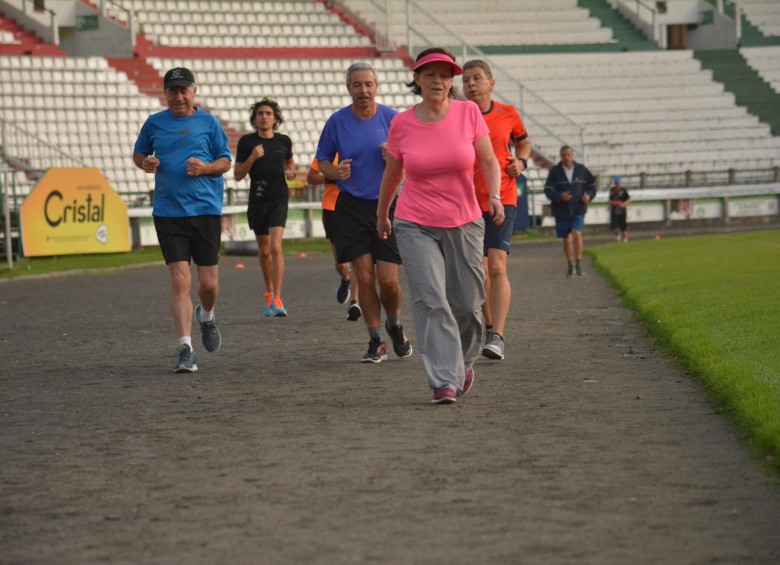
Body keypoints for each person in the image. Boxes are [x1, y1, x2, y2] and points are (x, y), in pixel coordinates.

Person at [377, 48, 503, 404]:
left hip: (464, 220)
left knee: (466, 304)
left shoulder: (468, 113)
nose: (437, 80)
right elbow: (393, 174)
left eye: (444, 75)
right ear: (417, 79)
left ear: (452, 81)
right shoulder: (402, 123)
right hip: (414, 222)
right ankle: (444, 380)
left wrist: (493, 195)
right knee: (431, 300)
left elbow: (489, 161)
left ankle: (463, 362)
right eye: (429, 74)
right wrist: (383, 213)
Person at [133, 67, 232, 373]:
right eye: (172, 91)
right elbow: (138, 155)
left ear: (194, 92)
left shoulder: (209, 122)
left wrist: (205, 168)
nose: (178, 96)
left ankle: (207, 315)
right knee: (179, 280)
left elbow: (226, 161)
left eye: (183, 90)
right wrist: (145, 162)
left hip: (204, 211)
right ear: (165, 94)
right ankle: (185, 348)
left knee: (209, 285)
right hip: (168, 212)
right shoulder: (154, 123)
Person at [316, 61, 412, 363]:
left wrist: (395, 158)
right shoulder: (337, 122)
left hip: (386, 204)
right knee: (365, 278)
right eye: (357, 85)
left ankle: (394, 324)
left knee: (389, 281)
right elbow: (321, 161)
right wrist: (336, 172)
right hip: (352, 207)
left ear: (376, 87)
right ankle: (375, 339)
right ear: (349, 89)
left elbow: (414, 160)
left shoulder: (393, 120)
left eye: (368, 84)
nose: (363, 91)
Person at [462, 59, 532, 361]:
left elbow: (524, 143)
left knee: (497, 266)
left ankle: (498, 335)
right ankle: (489, 328)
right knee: (478, 272)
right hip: (466, 202)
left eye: (477, 78)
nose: (471, 84)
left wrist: (522, 162)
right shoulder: (457, 116)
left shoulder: (508, 113)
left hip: (502, 197)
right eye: (466, 80)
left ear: (491, 83)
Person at [234, 98, 295, 317]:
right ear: (255, 118)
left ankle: (278, 297)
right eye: (260, 113)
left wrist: (291, 172)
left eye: (268, 113)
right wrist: (252, 157)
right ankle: (269, 291)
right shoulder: (247, 142)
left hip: (279, 197)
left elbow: (289, 162)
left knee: (276, 248)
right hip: (258, 199)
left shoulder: (284, 141)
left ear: (275, 118)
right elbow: (238, 175)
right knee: (265, 250)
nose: (264, 117)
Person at [306, 156, 362, 321]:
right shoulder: (327, 154)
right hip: (332, 208)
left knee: (357, 255)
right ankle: (346, 278)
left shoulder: (356, 149)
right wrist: (332, 176)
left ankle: (355, 301)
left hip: (355, 206)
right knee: (341, 263)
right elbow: (310, 177)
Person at [543, 145, 596, 278]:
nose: (566, 157)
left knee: (577, 233)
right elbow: (548, 190)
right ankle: (570, 265)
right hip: (561, 210)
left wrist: (589, 196)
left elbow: (592, 185)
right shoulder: (555, 172)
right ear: (560, 157)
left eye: (568, 154)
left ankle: (578, 264)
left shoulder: (582, 170)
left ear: (572, 155)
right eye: (564, 155)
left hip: (578, 208)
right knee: (566, 239)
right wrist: (560, 196)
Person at [608, 176, 631, 243]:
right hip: (614, 211)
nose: (617, 184)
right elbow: (610, 200)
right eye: (616, 183)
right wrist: (610, 205)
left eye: (618, 183)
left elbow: (629, 200)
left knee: (623, 228)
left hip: (622, 211)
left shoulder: (623, 191)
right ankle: (618, 237)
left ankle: (625, 239)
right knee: (613, 227)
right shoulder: (612, 190)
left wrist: (623, 204)